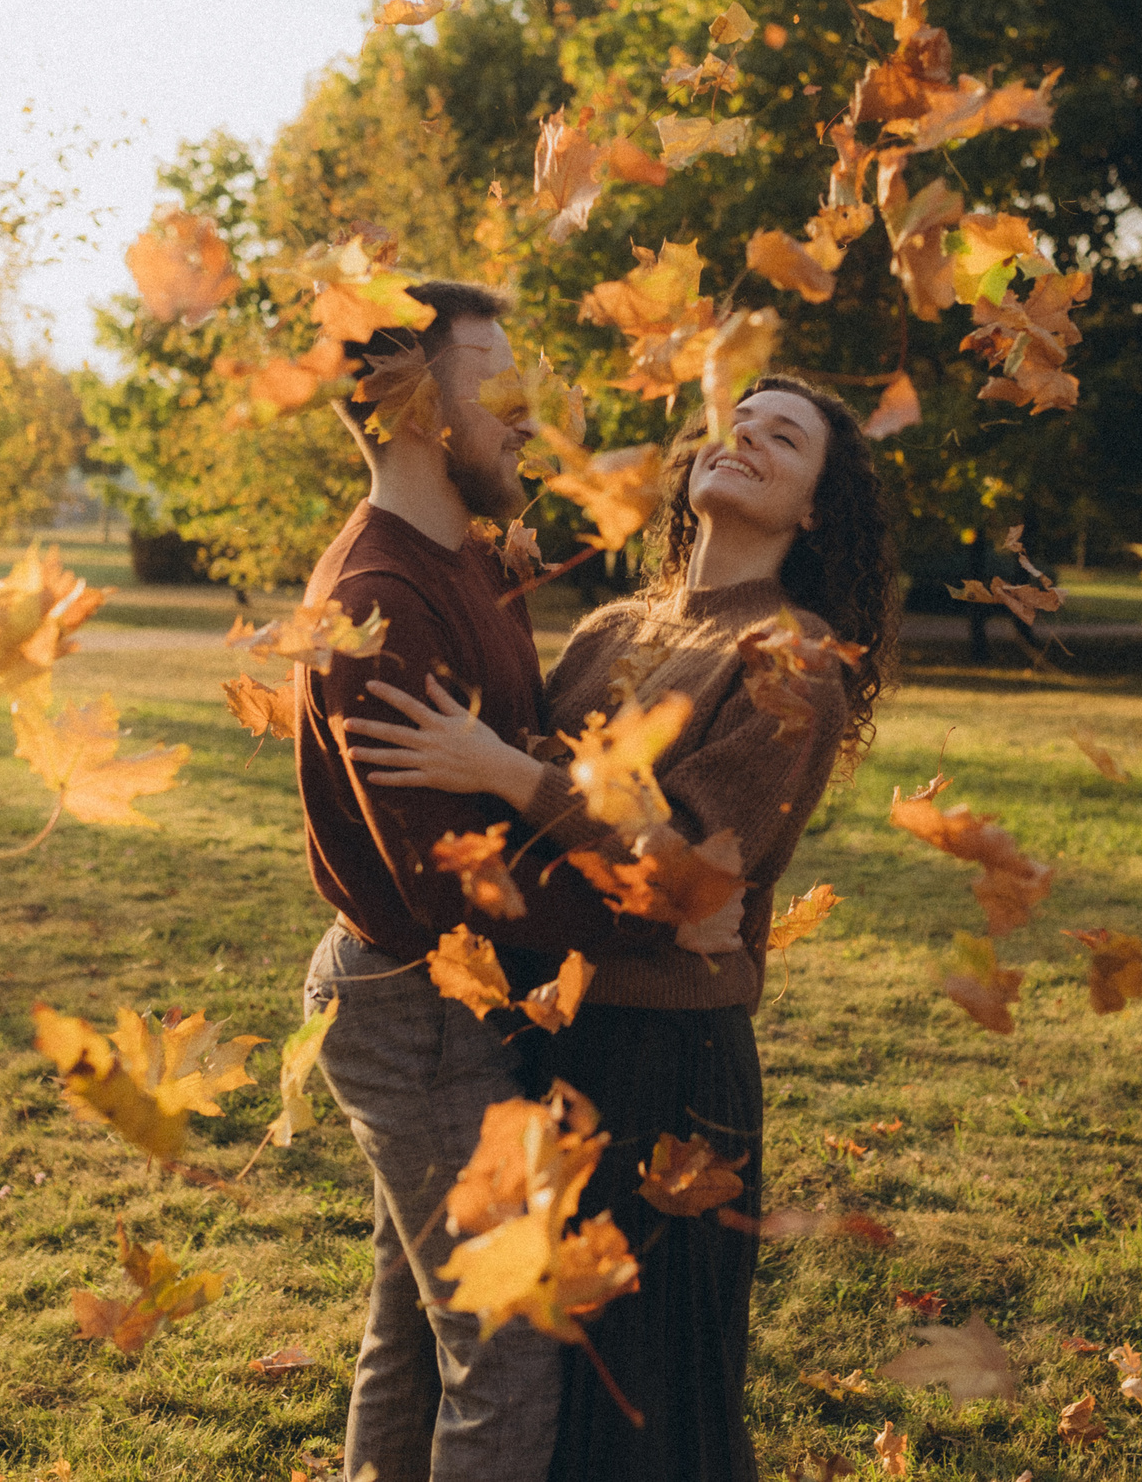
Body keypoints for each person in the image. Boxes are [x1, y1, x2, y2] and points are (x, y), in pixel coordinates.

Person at [343, 373, 899, 1481]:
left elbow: (688, 878)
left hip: (665, 1068)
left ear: (815, 511)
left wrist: (508, 773)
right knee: (503, 1349)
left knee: (640, 1392)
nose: (742, 437)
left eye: (781, 439)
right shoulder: (613, 627)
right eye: (736, 421)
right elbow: (566, 848)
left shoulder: (792, 659)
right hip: (540, 1036)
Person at [289, 281, 673, 1482]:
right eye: (493, 376)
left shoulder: (466, 559)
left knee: (412, 1334)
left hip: (443, 1003)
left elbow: (529, 753)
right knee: (503, 1347)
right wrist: (647, 913)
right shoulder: (380, 602)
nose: (523, 407)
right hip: (417, 1005)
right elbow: (454, 891)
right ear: (412, 407)